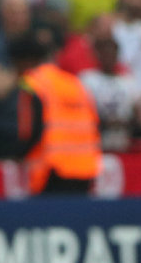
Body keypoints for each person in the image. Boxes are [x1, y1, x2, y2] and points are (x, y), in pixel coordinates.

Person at [9, 34, 102, 194]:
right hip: (86, 169)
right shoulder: (75, 83)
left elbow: (29, 130)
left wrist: (17, 154)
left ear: (24, 62)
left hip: (53, 170)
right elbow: (95, 123)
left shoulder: (31, 84)